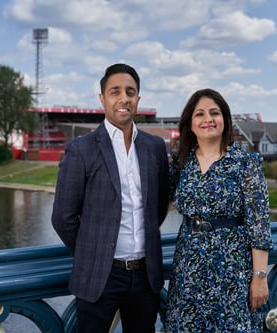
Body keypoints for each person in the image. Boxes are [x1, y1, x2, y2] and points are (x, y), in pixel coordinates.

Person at [51, 63, 170, 333]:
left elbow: (158, 207)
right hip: (101, 276)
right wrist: (95, 253)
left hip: (145, 275)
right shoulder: (81, 149)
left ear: (138, 99)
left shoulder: (155, 147)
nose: (123, 98)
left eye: (130, 92)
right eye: (115, 91)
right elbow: (63, 217)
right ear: (102, 99)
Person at [165, 88, 274, 333]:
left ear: (225, 120)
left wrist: (259, 276)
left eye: (215, 113)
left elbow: (259, 224)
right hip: (188, 266)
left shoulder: (245, 163)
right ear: (190, 124)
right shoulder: (181, 162)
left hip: (231, 268)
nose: (208, 119)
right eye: (200, 114)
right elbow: (159, 203)